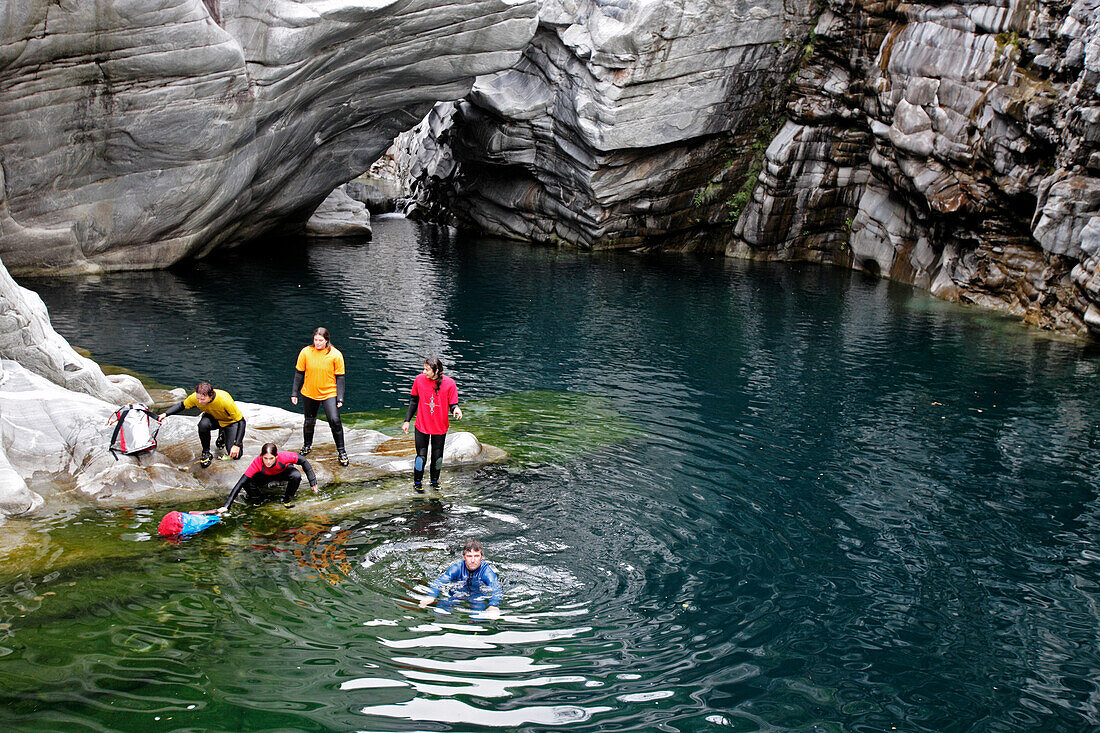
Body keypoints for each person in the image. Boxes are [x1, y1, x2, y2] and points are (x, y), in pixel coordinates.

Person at [201, 442, 318, 513]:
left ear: (276, 456)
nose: (268, 461)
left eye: (271, 458)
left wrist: (313, 482)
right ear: (261, 456)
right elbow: (240, 483)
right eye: (265, 458)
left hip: (282, 472)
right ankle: (259, 500)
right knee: (247, 482)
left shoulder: (284, 457)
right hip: (265, 476)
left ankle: (287, 499)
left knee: (296, 475)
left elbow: (304, 462)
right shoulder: (257, 463)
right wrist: (226, 506)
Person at [291, 327, 349, 466]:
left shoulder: (335, 355)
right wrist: (294, 392)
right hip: (309, 392)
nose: (317, 343)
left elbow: (340, 377)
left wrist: (340, 397)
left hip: (329, 392)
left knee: (334, 420)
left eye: (320, 340)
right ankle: (307, 446)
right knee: (309, 421)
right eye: (315, 340)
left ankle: (341, 452)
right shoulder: (306, 352)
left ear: (326, 340)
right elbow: (299, 373)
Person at [401, 357, 461, 489]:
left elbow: (453, 404)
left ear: (436, 370)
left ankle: (434, 482)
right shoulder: (419, 380)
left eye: (427, 370)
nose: (424, 372)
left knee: (437, 457)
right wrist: (407, 421)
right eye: (424, 369)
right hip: (422, 425)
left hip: (440, 426)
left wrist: (456, 409)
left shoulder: (449, 383)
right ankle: (417, 483)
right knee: (420, 457)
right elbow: (413, 401)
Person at [159, 381, 246, 468]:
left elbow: (242, 422)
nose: (199, 402)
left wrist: (237, 445)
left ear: (210, 396)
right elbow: (182, 405)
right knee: (203, 425)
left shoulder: (225, 401)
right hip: (213, 418)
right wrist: (165, 414)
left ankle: (223, 433)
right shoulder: (196, 397)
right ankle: (206, 452)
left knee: (236, 455)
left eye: (202, 399)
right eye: (198, 399)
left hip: (229, 422)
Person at [419, 539, 502, 618]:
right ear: (464, 557)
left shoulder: (486, 572)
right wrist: (431, 596)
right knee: (440, 610)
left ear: (481, 557)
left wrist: (493, 605)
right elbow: (439, 581)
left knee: (478, 615)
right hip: (458, 592)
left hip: (478, 595)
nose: (473, 560)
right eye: (469, 556)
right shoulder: (457, 568)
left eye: (476, 556)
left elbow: (496, 588)